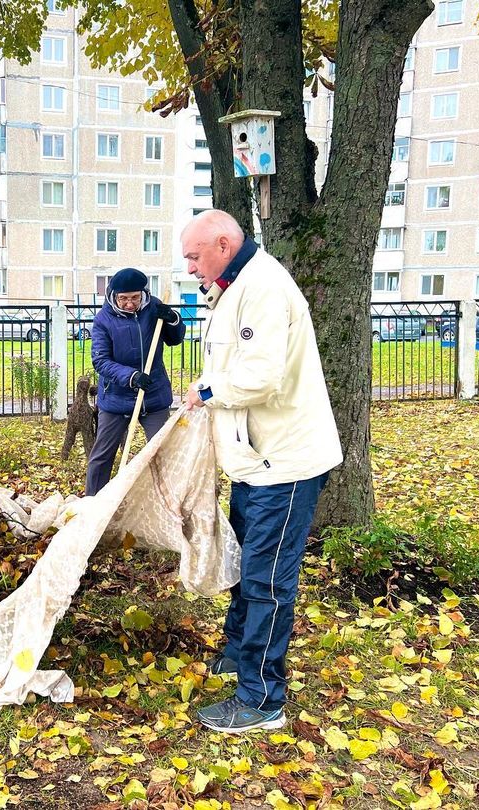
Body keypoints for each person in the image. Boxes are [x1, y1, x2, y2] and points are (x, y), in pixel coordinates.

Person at [180, 210, 343, 734]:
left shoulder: (265, 286)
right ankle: (237, 659)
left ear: (224, 244)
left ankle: (261, 699)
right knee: (246, 566)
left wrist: (206, 392)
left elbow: (260, 376)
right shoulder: (233, 287)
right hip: (254, 461)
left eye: (194, 256)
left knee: (266, 579)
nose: (190, 268)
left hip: (285, 464)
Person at [86, 267, 185, 495]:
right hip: (116, 398)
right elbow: (100, 360)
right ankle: (92, 506)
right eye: (124, 299)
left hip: (153, 395)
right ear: (114, 295)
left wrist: (172, 320)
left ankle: (166, 502)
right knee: (102, 455)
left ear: (143, 293)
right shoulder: (104, 319)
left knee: (162, 452)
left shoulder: (153, 308)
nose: (130, 304)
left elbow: (175, 339)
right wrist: (131, 377)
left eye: (135, 298)